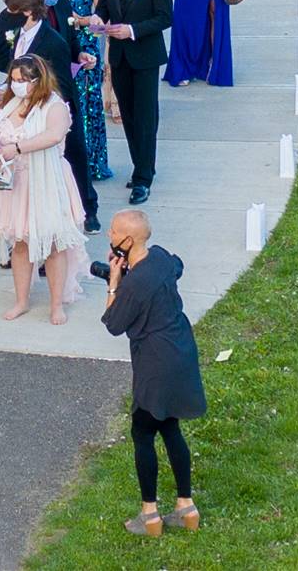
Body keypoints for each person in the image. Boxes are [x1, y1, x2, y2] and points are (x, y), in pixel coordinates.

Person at [101, 209, 206, 536]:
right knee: (171, 427)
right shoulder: (160, 259)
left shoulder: (134, 286)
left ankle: (150, 516)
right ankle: (186, 507)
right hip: (181, 354)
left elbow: (113, 324)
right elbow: (177, 267)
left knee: (143, 434)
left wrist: (115, 283)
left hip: (154, 364)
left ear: (128, 240)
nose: (110, 235)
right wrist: (131, 271)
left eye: (114, 232)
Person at [0, 55, 90, 324]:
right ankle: (21, 300)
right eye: (14, 80)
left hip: (45, 180)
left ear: (37, 80)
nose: (16, 85)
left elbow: (54, 135)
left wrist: (17, 148)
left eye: (22, 80)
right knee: (20, 243)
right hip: (16, 183)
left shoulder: (54, 106)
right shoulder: (12, 104)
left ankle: (56, 305)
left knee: (53, 244)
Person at [0, 0, 101, 232]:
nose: (7, 15)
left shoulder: (53, 42)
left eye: (12, 10)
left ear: (28, 12)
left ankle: (87, 208)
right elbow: (5, 65)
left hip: (52, 109)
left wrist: (34, 103)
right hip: (21, 107)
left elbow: (59, 84)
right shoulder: (15, 33)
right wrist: (5, 91)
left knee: (74, 157)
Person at [91, 0, 173, 204]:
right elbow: (103, 7)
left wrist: (133, 30)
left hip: (146, 54)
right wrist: (98, 19)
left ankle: (143, 177)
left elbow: (165, 17)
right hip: (120, 56)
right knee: (127, 114)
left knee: (146, 115)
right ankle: (140, 165)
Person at [55, 0, 112, 182]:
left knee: (87, 105)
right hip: (60, 47)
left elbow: (104, 22)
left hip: (86, 48)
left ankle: (91, 161)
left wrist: (85, 21)